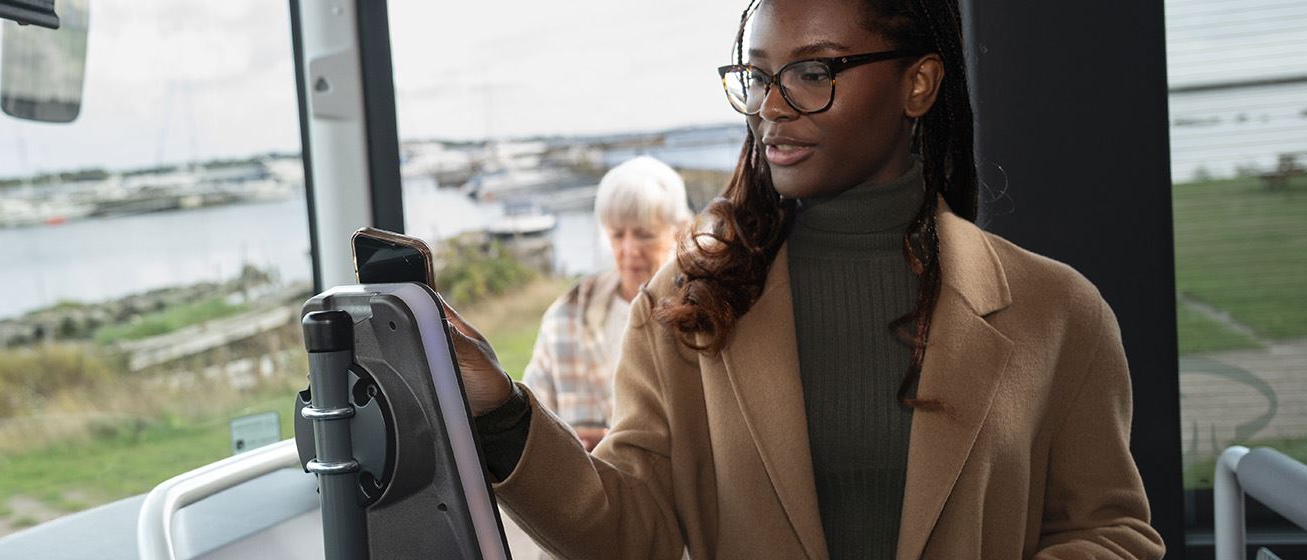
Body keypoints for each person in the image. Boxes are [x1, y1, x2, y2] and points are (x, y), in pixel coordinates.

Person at [439, 0, 1167, 558]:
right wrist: (501, 412)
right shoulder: (685, 303)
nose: (771, 107)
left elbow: (1112, 531)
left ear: (919, 83)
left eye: (815, 71)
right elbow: (634, 531)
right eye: (758, 76)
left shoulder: (1058, 311)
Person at [522, 156, 692, 452]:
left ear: (678, 233)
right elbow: (530, 427)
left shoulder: (699, 316)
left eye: (644, 234)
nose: (629, 250)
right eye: (617, 234)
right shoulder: (566, 317)